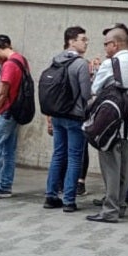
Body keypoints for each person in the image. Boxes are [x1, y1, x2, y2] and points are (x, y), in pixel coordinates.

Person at [86, 26, 128, 224]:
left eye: (106, 44)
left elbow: (95, 88)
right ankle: (120, 206)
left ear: (115, 44)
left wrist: (94, 71)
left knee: (110, 167)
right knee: (125, 170)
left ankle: (109, 210)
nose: (104, 48)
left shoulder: (110, 63)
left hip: (112, 123)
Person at [42, 26, 93, 212]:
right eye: (83, 39)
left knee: (58, 154)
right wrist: (92, 79)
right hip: (74, 116)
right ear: (71, 41)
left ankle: (51, 195)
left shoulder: (56, 60)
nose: (86, 42)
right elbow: (86, 94)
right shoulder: (81, 64)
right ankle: (69, 200)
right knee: (74, 157)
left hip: (57, 114)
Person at [0, 36, 28, 198]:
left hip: (5, 112)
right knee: (9, 151)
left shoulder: (8, 64)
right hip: (16, 112)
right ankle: (5, 187)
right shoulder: (21, 60)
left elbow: (3, 93)